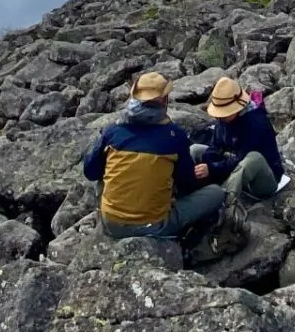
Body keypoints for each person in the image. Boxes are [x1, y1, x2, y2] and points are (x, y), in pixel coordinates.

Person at [82, 73, 225, 242]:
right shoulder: (175, 136)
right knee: (216, 193)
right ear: (164, 101)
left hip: (111, 225)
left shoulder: (112, 131)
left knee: (103, 172)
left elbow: (90, 172)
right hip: (155, 225)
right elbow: (187, 183)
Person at [202, 76, 288, 224]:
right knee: (197, 150)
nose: (219, 117)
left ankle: (226, 205)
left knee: (253, 158)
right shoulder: (224, 120)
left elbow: (240, 159)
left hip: (264, 180)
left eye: (223, 112)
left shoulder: (256, 123)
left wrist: (211, 168)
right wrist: (207, 162)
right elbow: (215, 145)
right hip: (236, 166)